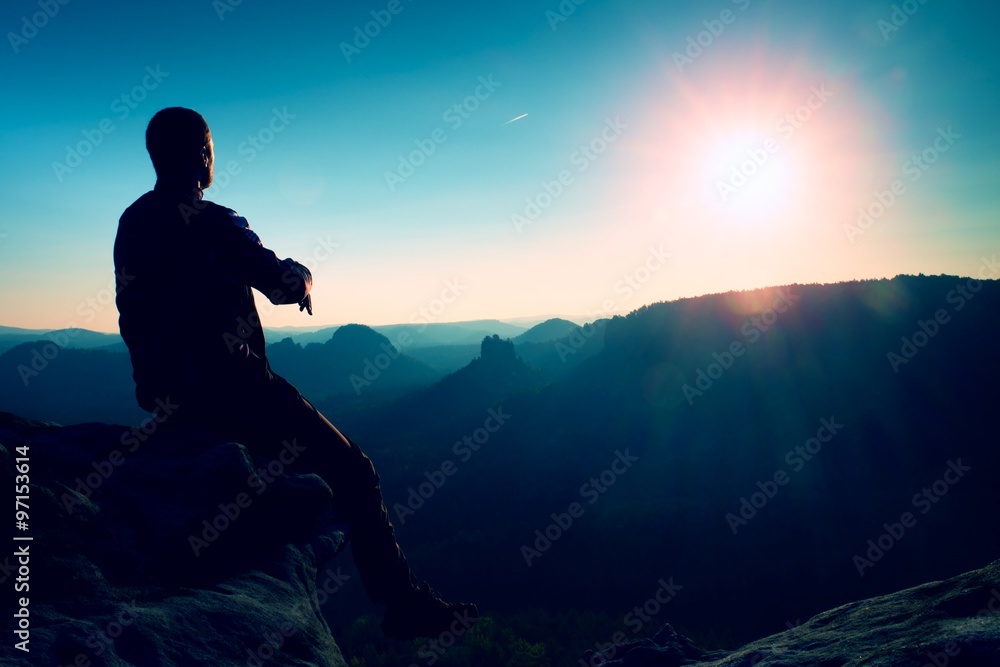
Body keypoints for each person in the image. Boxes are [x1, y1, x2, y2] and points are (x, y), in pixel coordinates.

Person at [113, 106, 477, 641]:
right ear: (203, 154)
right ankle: (402, 604)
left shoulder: (133, 221)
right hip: (236, 393)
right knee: (355, 471)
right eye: (210, 147)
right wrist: (306, 276)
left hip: (163, 397)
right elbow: (281, 285)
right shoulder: (215, 222)